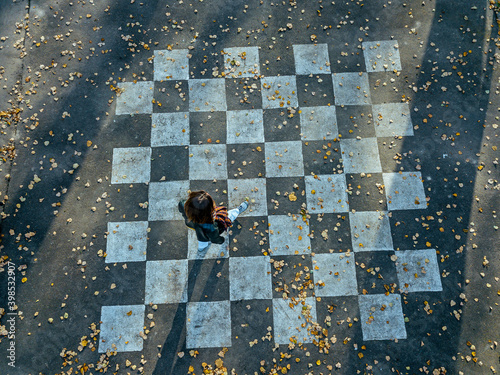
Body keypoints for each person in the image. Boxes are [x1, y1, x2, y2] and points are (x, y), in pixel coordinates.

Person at [178, 190, 248, 252]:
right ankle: (237, 211)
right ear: (210, 210)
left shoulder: (183, 205)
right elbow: (214, 238)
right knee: (229, 216)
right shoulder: (211, 226)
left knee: (202, 241)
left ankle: (201, 249)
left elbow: (182, 209)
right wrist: (221, 240)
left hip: (195, 229)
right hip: (206, 231)